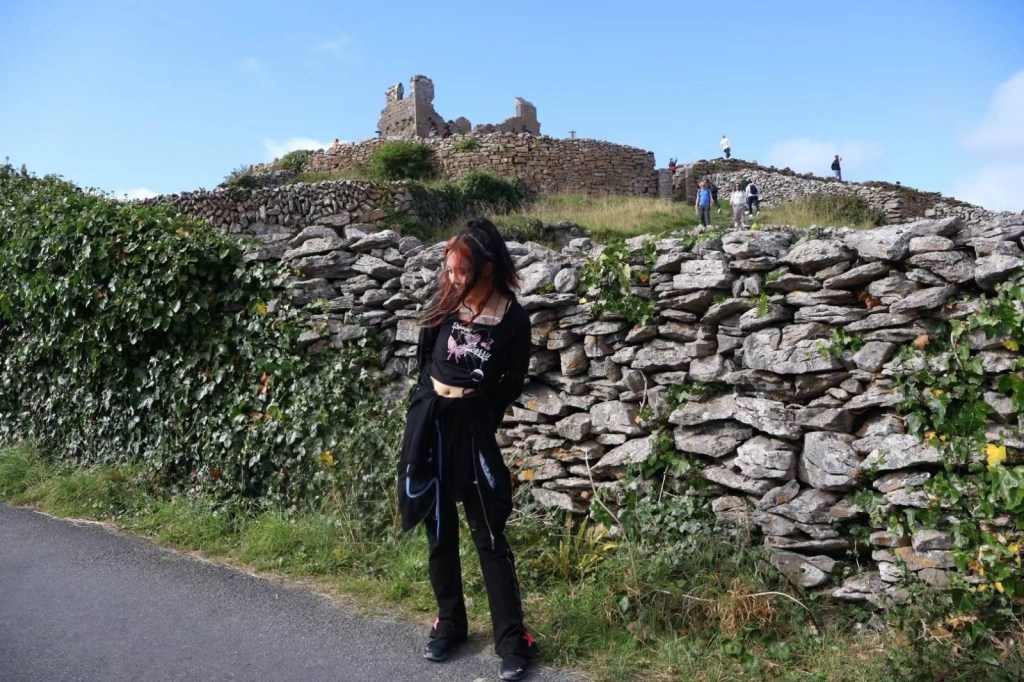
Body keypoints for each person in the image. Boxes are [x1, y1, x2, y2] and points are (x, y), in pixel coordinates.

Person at [397, 218, 538, 682]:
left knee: (490, 535)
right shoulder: (445, 302)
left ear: (488, 269)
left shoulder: (513, 319)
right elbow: (424, 360)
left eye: (462, 271)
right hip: (431, 425)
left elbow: (511, 383)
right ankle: (450, 623)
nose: (453, 279)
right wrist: (429, 407)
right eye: (449, 269)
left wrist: (476, 417)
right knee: (438, 530)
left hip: (472, 431)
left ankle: (512, 640)